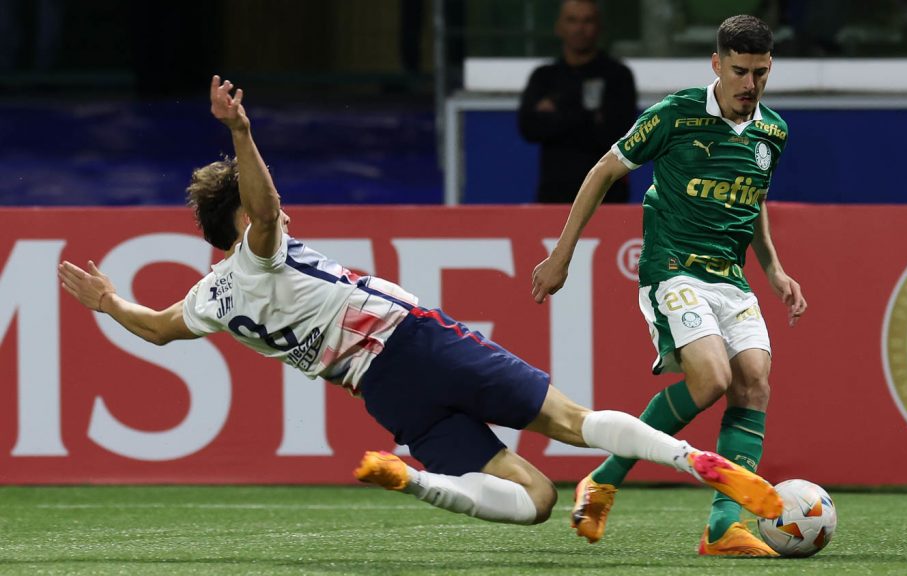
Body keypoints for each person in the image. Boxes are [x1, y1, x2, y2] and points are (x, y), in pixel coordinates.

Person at [58, 75, 782, 530]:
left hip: (385, 395)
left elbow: (156, 330)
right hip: (416, 342)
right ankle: (702, 464)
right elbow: (269, 207)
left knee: (533, 501)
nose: (276, 210)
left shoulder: (211, 296)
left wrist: (109, 301)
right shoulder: (258, 249)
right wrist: (241, 133)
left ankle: (416, 480)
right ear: (239, 223)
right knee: (572, 422)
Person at [532, 15, 806, 555]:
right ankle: (605, 478)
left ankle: (724, 526)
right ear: (716, 65)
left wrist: (773, 268)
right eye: (739, 72)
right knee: (711, 380)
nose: (750, 86)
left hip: (732, 278)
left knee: (754, 381)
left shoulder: (772, 131)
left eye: (760, 74)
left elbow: (752, 200)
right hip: (674, 267)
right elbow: (602, 172)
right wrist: (560, 255)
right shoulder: (674, 114)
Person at [517, 0, 637, 204]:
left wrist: (557, 113)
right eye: (572, 21)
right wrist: (588, 115)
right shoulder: (544, 77)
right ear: (559, 27)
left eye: (587, 21)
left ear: (599, 27)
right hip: (554, 197)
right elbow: (529, 128)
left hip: (607, 197)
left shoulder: (617, 76)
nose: (580, 29)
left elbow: (616, 133)